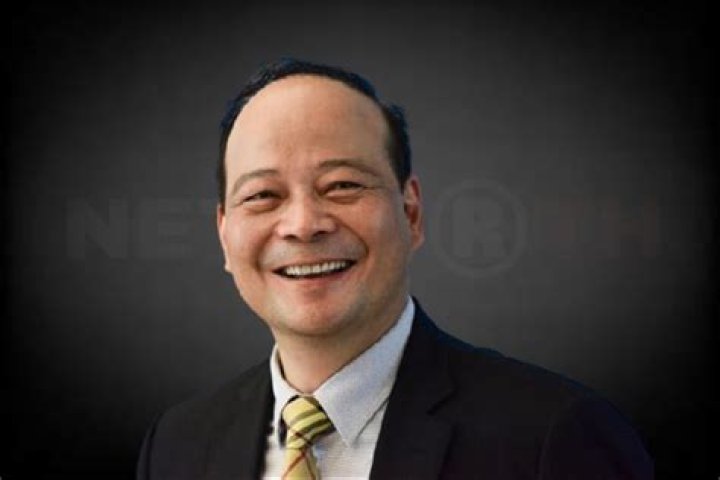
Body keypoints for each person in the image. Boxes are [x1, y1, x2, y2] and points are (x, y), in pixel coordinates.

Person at [137, 58, 653, 479]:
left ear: (411, 214)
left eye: (342, 185)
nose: (303, 225)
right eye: (262, 195)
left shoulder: (556, 437)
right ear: (224, 235)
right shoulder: (178, 445)